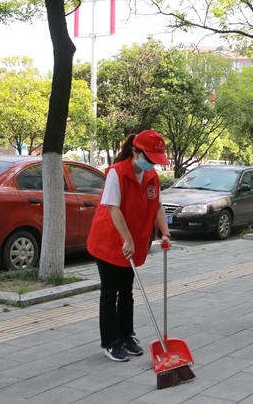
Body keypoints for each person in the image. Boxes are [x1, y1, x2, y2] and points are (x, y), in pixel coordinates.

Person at [86, 130, 172, 362]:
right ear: (135, 152)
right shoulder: (117, 173)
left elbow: (158, 207)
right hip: (109, 240)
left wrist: (164, 232)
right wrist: (127, 239)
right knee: (110, 291)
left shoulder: (152, 176)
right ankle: (110, 342)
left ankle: (127, 336)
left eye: (155, 160)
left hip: (131, 244)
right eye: (149, 158)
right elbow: (113, 208)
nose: (152, 164)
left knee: (127, 291)